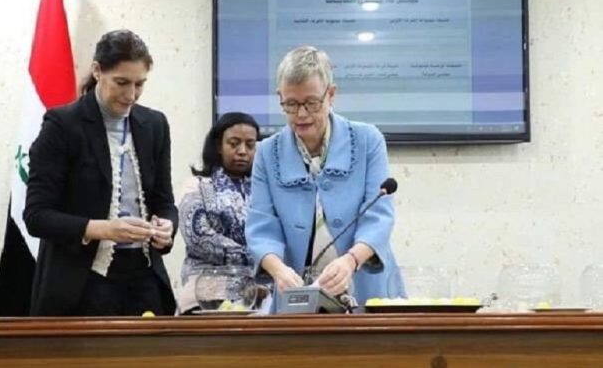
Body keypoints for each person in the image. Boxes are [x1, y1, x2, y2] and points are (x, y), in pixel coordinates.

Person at [23, 29, 177, 316]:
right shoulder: (62, 125)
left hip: (144, 277)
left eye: (139, 84)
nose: (131, 95)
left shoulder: (155, 124)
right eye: (121, 82)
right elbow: (37, 216)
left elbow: (164, 201)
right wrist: (104, 229)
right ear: (97, 71)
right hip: (82, 282)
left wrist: (167, 227)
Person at [245, 46, 405, 307]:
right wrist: (278, 270)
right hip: (297, 296)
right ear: (280, 98)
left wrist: (351, 260)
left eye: (311, 103)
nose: (301, 114)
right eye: (291, 104)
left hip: (366, 288)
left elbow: (379, 217)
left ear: (331, 94)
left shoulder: (367, 140)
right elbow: (261, 227)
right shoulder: (266, 152)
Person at [177, 112, 260, 314]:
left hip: (258, 294)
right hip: (205, 294)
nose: (242, 151)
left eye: (250, 145)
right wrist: (263, 257)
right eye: (234, 143)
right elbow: (199, 238)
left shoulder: (264, 189)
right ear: (218, 146)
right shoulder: (197, 185)